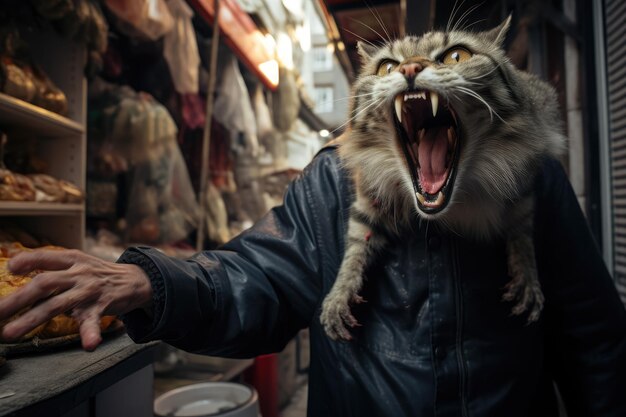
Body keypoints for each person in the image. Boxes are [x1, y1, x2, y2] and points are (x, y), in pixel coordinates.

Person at [1, 142, 625, 417]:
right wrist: (153, 281)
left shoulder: (530, 177)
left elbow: (594, 338)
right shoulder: (335, 181)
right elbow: (255, 277)